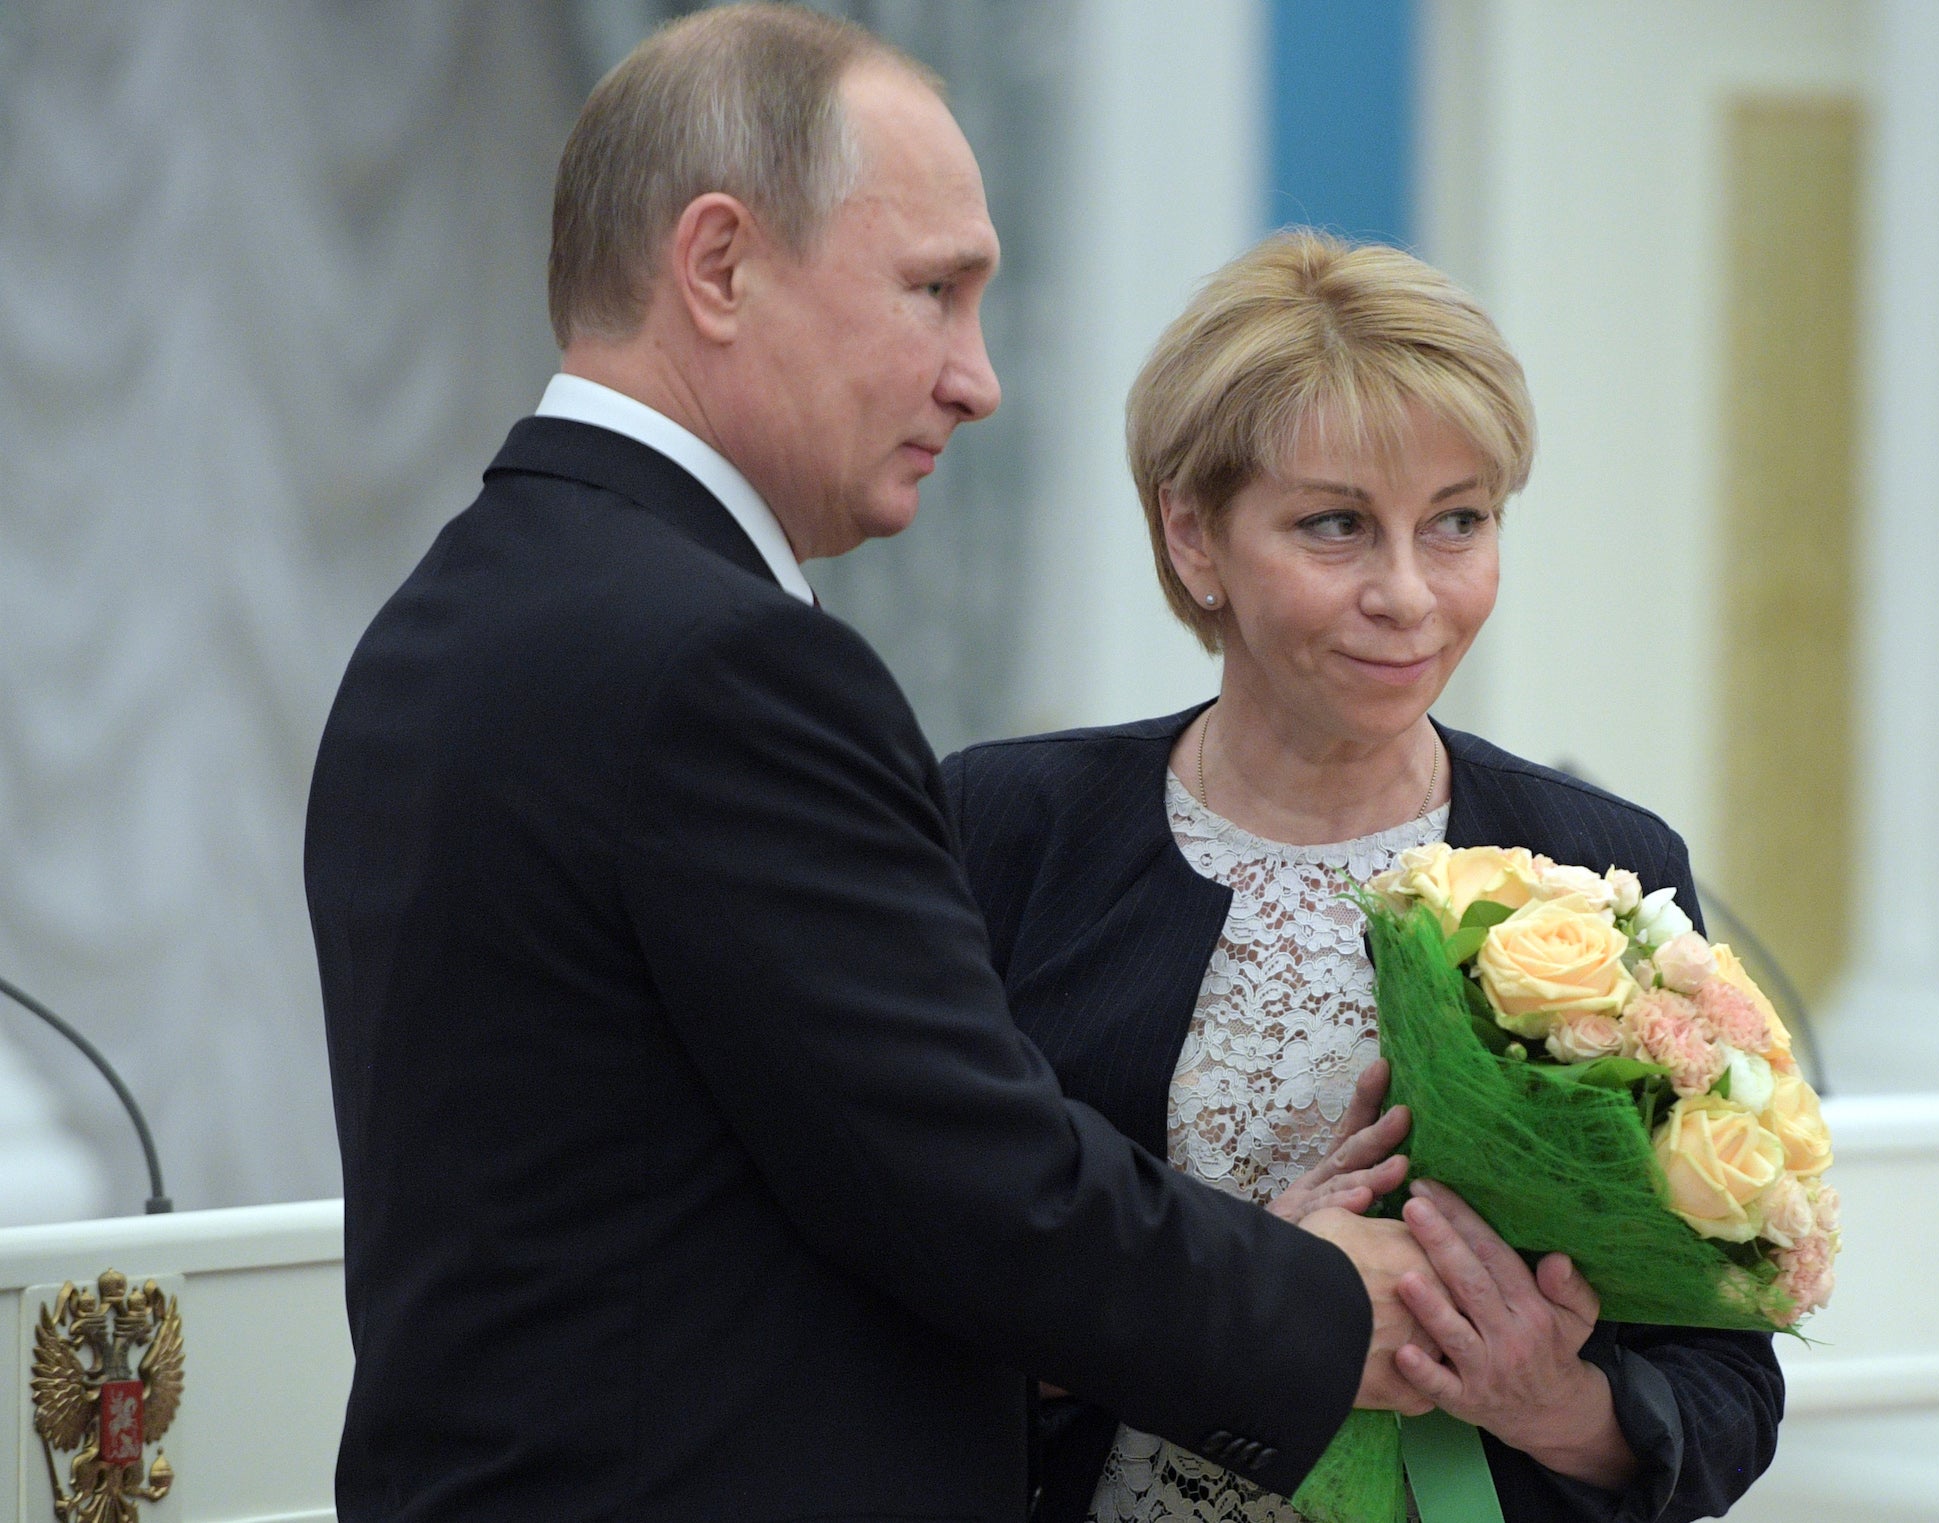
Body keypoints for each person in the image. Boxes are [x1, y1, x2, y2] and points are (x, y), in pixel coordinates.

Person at [304, 12, 1446, 1523]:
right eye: (933, 292)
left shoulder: (451, 613)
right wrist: (1326, 1306)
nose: (976, 380)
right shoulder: (718, 664)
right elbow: (970, 1184)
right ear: (717, 266)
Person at [941, 232, 1786, 1523]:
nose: (1408, 593)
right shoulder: (1001, 834)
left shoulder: (1608, 866)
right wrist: (1236, 1300)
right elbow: (880, 1303)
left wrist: (1544, 1399)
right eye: (1335, 524)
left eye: (1457, 522)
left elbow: (1727, 1390)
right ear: (1193, 535)